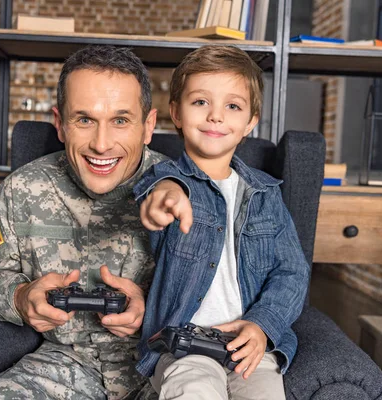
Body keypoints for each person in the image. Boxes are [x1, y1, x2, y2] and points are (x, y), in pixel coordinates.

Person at [0, 45, 192, 400]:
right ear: (59, 124)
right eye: (84, 120)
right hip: (65, 367)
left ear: (148, 126)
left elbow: (233, 300)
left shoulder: (184, 193)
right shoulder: (23, 190)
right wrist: (20, 296)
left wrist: (156, 311)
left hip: (164, 369)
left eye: (120, 120)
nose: (101, 144)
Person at [133, 45, 310, 400]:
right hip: (186, 344)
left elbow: (292, 271)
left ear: (250, 122)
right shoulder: (165, 179)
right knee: (194, 391)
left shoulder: (265, 193)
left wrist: (263, 325)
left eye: (232, 106)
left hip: (249, 345)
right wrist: (165, 199)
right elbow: (159, 191)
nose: (216, 116)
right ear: (176, 113)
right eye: (200, 102)